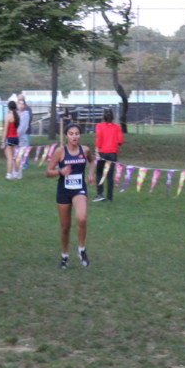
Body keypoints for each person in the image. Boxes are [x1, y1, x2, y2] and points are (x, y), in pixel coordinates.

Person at [46, 123, 94, 269]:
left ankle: (82, 249)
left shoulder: (85, 150)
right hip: (64, 191)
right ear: (66, 135)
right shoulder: (60, 152)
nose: (74, 136)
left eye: (77, 134)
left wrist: (91, 174)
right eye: (71, 134)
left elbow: (92, 162)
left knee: (82, 218)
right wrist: (60, 172)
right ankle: (64, 256)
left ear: (80, 135)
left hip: (79, 189)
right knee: (65, 227)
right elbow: (48, 172)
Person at [93, 109, 123, 202]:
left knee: (99, 173)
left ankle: (99, 194)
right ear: (113, 117)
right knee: (110, 176)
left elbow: (98, 138)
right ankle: (109, 197)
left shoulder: (99, 126)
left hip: (102, 153)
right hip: (112, 154)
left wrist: (96, 151)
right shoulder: (117, 127)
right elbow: (120, 141)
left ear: (104, 116)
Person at [2, 100, 20, 179]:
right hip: (16, 138)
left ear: (9, 107)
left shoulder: (8, 116)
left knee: (9, 158)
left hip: (10, 138)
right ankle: (16, 173)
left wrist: (3, 141)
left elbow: (5, 130)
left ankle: (9, 174)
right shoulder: (17, 115)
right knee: (15, 157)